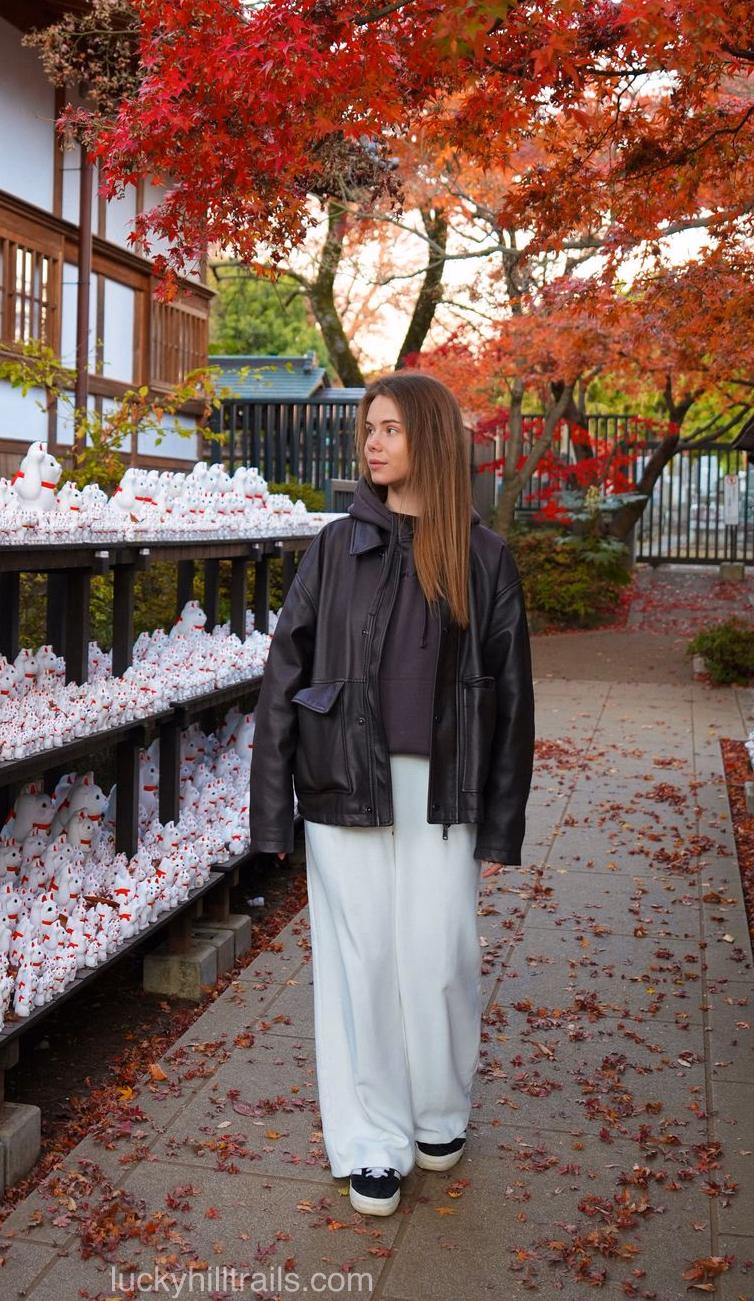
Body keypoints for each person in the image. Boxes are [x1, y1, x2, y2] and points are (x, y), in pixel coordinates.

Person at [249, 371, 534, 1219]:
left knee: (439, 955)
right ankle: (372, 1140)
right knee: (362, 962)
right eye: (367, 428)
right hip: (344, 784)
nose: (371, 443)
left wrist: (503, 822)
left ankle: (440, 1111)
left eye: (390, 429)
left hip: (446, 790)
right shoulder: (336, 549)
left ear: (432, 441)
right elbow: (283, 676)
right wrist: (273, 810)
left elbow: (513, 700)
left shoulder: (484, 559)